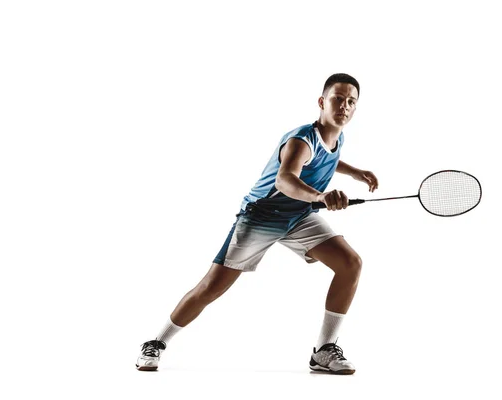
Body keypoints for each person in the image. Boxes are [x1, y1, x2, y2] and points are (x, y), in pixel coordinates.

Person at [136, 73, 378, 375]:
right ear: (321, 102)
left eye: (351, 102)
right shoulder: (301, 139)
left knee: (350, 263)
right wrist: (321, 195)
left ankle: (324, 350)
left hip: (299, 216)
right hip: (262, 215)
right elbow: (285, 178)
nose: (344, 106)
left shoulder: (336, 136)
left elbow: (328, 158)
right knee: (211, 287)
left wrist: (354, 172)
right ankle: (156, 343)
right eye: (337, 99)